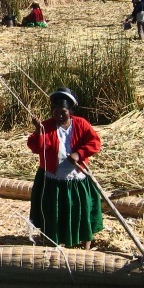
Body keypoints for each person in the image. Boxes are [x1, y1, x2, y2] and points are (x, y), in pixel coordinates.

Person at [27, 87, 103, 249]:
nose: (59, 115)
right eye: (55, 111)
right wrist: (38, 131)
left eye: (63, 111)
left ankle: (86, 243)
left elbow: (95, 142)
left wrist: (79, 153)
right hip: (53, 179)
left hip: (77, 177)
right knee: (54, 212)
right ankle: (53, 242)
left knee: (81, 209)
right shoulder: (46, 126)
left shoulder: (81, 124)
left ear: (70, 111)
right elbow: (35, 147)